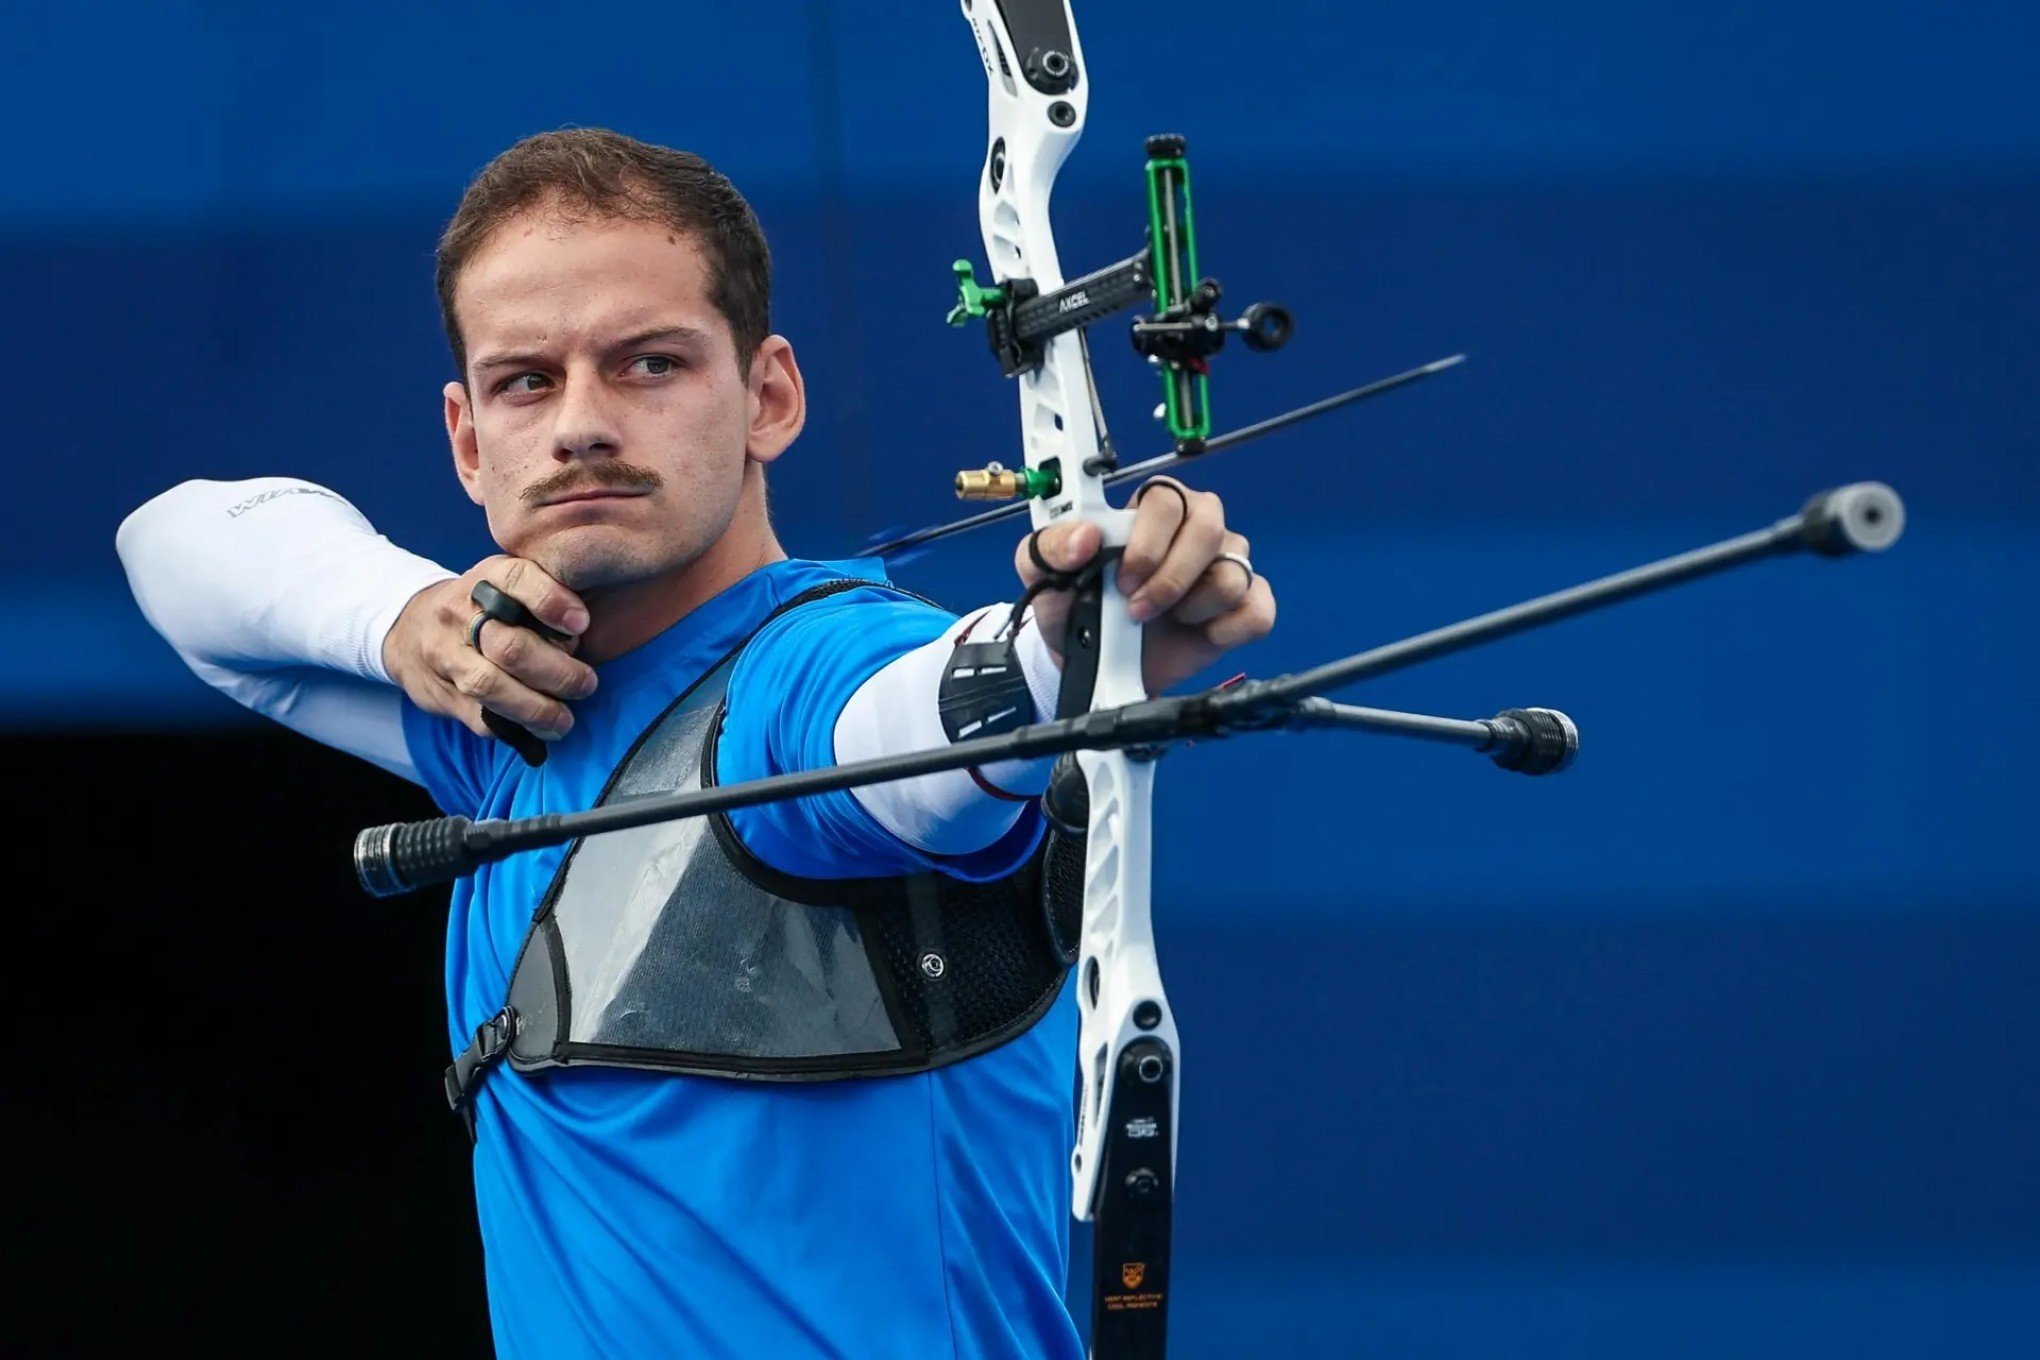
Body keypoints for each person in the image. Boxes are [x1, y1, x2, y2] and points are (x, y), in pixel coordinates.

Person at [117, 128, 1274, 1359]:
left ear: (768, 395)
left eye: (648, 364)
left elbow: (924, 727)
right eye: (525, 382)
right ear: (466, 440)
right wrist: (400, 618)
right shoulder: (506, 723)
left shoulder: (805, 673)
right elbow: (176, 548)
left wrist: (1066, 642)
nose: (579, 426)